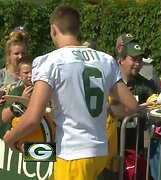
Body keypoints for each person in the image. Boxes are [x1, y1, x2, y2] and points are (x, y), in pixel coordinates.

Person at [3, 5, 138, 180]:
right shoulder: (105, 59)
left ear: (53, 29)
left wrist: (9, 138)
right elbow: (131, 106)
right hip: (99, 153)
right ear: (78, 29)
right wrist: (110, 110)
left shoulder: (50, 61)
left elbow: (32, 117)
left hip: (72, 155)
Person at [118, 42, 157, 155]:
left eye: (140, 60)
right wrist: (136, 108)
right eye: (134, 59)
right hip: (112, 144)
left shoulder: (145, 84)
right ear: (122, 60)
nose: (137, 63)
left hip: (135, 146)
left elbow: (154, 100)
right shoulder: (110, 81)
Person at [0, 30, 29, 138]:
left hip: (29, 133)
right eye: (16, 54)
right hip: (4, 134)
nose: (20, 56)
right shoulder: (2, 75)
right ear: (9, 55)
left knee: (41, 153)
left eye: (23, 53)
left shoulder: (34, 76)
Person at [2, 55, 33, 123]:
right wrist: (21, 100)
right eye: (26, 73)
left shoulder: (43, 89)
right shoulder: (16, 92)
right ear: (19, 75)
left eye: (33, 71)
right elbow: (4, 118)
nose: (30, 75)